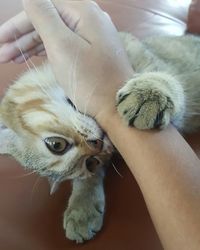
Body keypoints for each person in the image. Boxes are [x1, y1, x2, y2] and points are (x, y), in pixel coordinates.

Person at [0, 1, 200, 249]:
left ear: (9, 125)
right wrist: (88, 181)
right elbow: (149, 118)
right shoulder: (92, 135)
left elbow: (159, 78)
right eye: (90, 162)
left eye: (58, 145)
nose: (94, 146)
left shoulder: (124, 48)